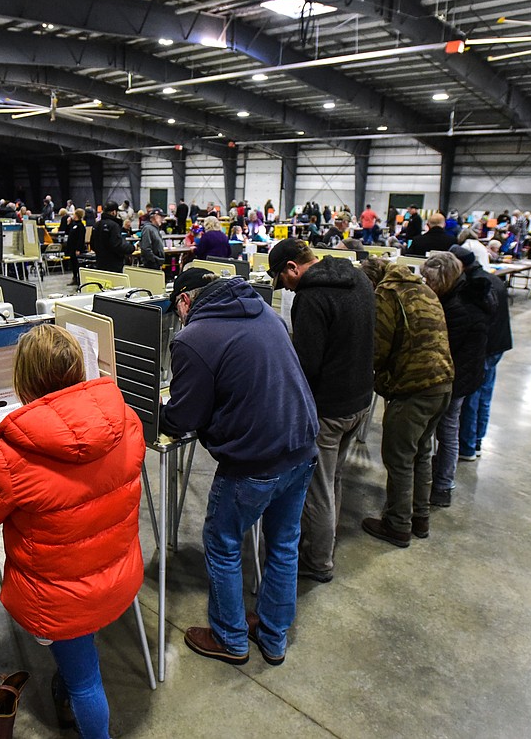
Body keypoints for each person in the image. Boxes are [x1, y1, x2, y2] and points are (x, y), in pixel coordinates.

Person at [0, 324, 144, 739]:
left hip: (60, 595)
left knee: (87, 681)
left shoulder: (10, 454)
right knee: (79, 663)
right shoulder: (125, 420)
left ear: (22, 380)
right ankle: (64, 688)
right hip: (116, 574)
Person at [161, 269, 318, 667]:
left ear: (184, 301)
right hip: (301, 447)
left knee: (223, 541)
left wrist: (152, 411)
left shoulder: (193, 338)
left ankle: (230, 638)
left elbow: (182, 419)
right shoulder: (265, 312)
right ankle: (273, 636)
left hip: (254, 462)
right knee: (283, 545)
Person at [267, 239, 374, 583]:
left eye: (283, 281)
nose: (286, 288)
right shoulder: (358, 278)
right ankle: (326, 541)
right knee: (334, 478)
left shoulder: (311, 297)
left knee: (317, 486)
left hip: (329, 408)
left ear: (291, 268)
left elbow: (306, 365)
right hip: (359, 400)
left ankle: (317, 560)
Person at [359, 257, 453, 547]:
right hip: (443, 383)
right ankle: (419, 517)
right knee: (422, 452)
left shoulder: (386, 294)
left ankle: (398, 524)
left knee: (398, 458)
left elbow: (378, 350)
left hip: (413, 387)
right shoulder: (422, 288)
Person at [420, 252, 489, 508]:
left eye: (430, 279)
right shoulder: (466, 294)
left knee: (447, 430)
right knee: (448, 429)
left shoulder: (458, 307)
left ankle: (443, 485)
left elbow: (444, 347)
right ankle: (441, 476)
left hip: (456, 377)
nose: (427, 284)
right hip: (465, 372)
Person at [451, 246, 512, 462]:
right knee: (484, 396)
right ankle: (476, 442)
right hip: (498, 345)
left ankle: (466, 446)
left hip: (483, 348)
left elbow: (472, 322)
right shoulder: (492, 279)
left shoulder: (472, 286)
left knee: (470, 398)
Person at [91, 201, 135, 272]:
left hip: (100, 263)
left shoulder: (96, 225)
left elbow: (92, 245)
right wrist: (131, 248)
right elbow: (117, 246)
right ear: (114, 212)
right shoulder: (114, 226)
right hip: (114, 264)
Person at [62, 208, 87, 286]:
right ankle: (74, 278)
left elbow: (80, 238)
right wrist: (68, 223)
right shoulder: (73, 224)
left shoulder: (81, 226)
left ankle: (79, 279)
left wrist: (78, 249)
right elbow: (67, 232)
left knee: (77, 264)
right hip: (71, 247)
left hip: (77, 248)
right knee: (72, 263)